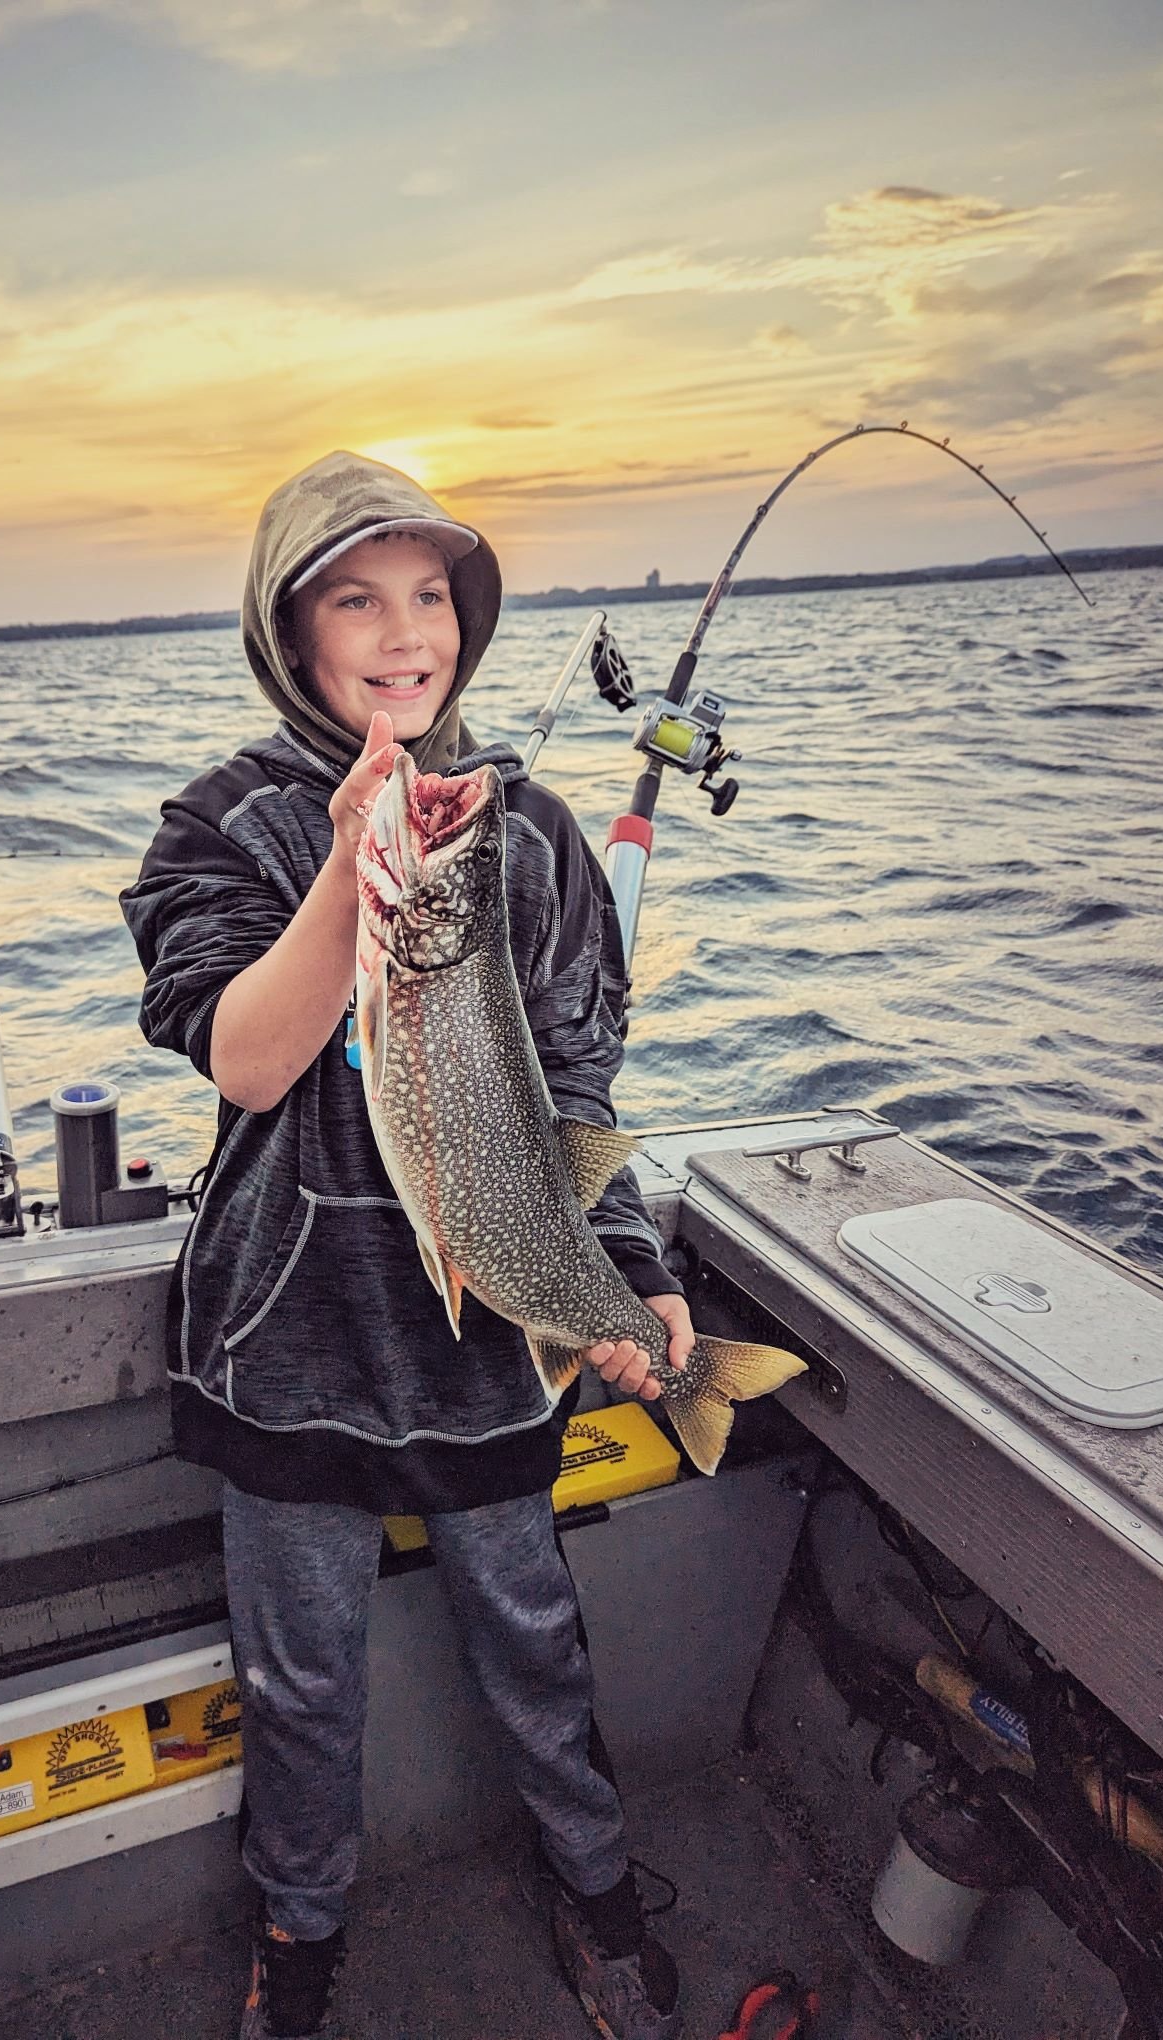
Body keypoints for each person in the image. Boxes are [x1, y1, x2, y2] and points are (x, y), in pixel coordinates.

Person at [121, 450, 695, 2040]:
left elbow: (575, 1083)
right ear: (287, 630)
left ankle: (593, 1886)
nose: (404, 631)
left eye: (432, 593)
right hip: (287, 1344)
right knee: (300, 1684)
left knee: (535, 1640)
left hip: (490, 1340)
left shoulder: (532, 835)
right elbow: (239, 1054)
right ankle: (299, 1937)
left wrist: (630, 1271)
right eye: (356, 598)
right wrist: (352, 863)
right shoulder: (222, 823)